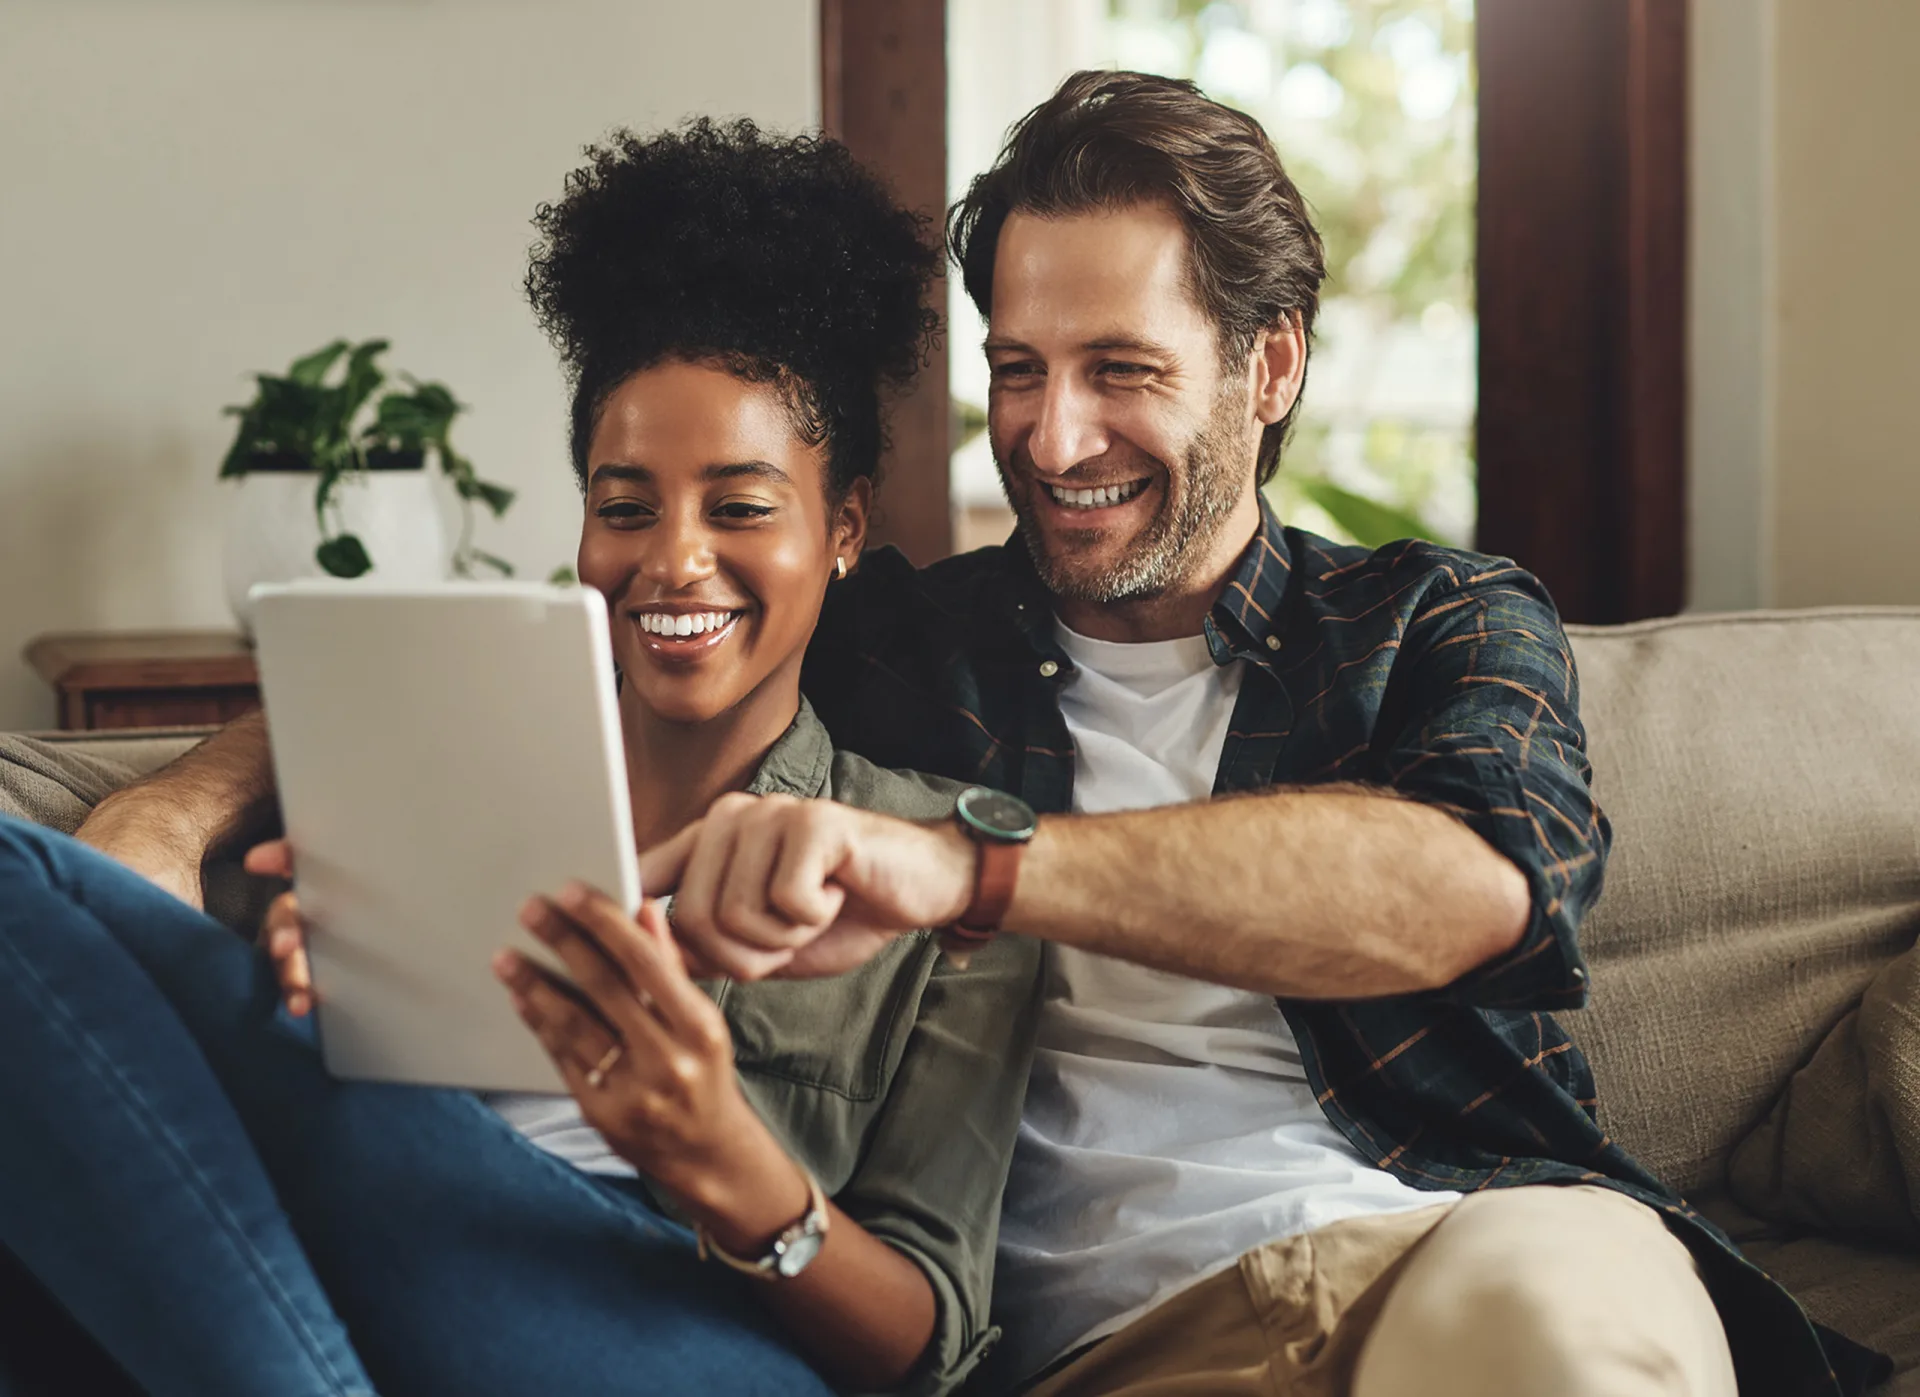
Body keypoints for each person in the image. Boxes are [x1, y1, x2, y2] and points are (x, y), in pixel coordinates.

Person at [73, 74, 1883, 1397]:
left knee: (1557, 1335)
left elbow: (1465, 893)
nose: (1056, 432)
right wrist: (176, 822)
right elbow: (564, 649)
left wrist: (974, 868)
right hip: (1087, 1353)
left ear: (1270, 366)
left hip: (1449, 1256)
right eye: (1018, 367)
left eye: (1122, 368)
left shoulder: (1436, 622)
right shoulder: (890, 639)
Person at [0, 119, 1042, 1397]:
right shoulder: (436, 757)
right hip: (370, 1259)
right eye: (623, 505)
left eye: (739, 505)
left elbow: (924, 1343)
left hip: (689, 1325)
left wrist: (715, 1149)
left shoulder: (939, 876)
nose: (671, 558)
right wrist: (287, 974)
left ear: (843, 528)